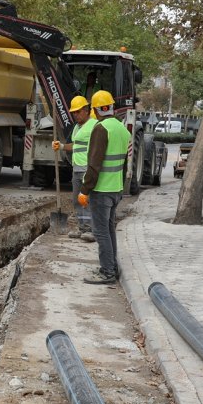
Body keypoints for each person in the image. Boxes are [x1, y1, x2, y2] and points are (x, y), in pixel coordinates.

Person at [77, 90, 130, 285]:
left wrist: (85, 189)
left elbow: (94, 164)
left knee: (100, 232)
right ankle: (111, 266)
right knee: (108, 230)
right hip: (116, 188)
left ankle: (107, 271)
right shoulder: (122, 129)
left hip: (101, 190)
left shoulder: (101, 129)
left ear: (97, 110)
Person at [55, 95, 95, 239]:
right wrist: (62, 146)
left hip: (87, 169)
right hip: (77, 168)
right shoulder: (77, 127)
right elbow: (76, 145)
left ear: (86, 110)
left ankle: (90, 230)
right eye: (74, 113)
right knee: (77, 200)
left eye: (78, 112)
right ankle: (82, 228)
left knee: (86, 200)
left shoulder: (94, 125)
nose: (75, 115)